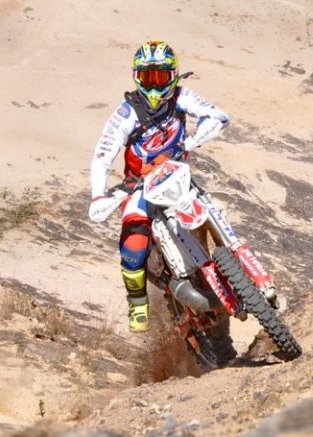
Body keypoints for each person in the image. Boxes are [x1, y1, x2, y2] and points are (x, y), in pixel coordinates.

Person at [88, 41, 230, 332]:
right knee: (133, 245)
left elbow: (217, 115)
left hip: (178, 176)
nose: (154, 86)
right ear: (136, 78)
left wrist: (194, 139)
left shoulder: (181, 96)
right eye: (147, 78)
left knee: (212, 208)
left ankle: (233, 263)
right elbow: (102, 157)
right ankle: (138, 302)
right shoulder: (126, 113)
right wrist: (98, 196)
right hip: (139, 187)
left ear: (173, 76)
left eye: (160, 77)